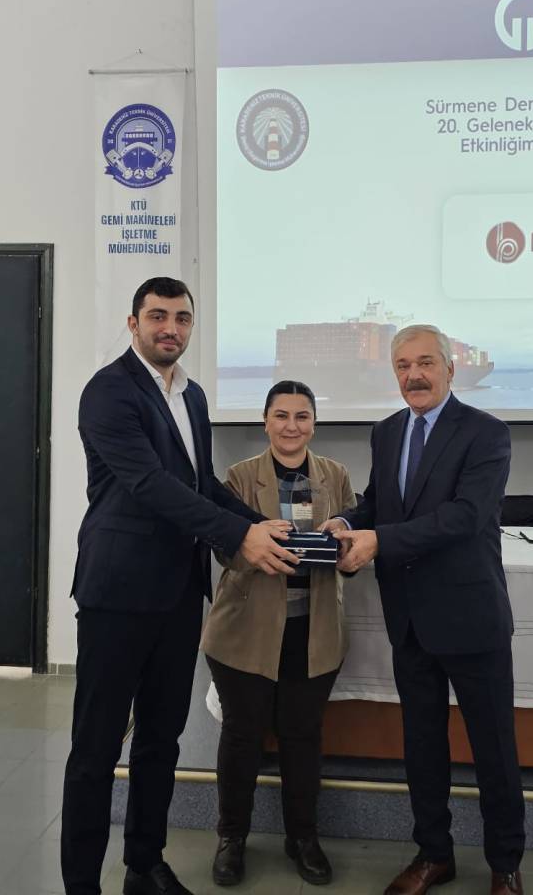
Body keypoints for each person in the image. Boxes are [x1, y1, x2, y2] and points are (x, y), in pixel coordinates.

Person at [61, 277, 299, 895]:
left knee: (161, 741)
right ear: (134, 322)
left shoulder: (190, 395)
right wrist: (239, 537)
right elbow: (150, 485)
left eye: (182, 318)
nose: (171, 328)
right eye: (158, 316)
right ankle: (82, 884)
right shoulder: (109, 392)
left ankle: (144, 865)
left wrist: (259, 524)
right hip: (118, 594)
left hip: (177, 593)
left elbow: (199, 484)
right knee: (96, 748)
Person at [324, 324, 525, 895]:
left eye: (426, 363)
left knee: (494, 749)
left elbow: (465, 516)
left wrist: (380, 541)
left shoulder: (486, 433)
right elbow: (381, 503)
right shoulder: (386, 432)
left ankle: (506, 865)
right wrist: (348, 521)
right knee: (422, 746)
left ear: (450, 369)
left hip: (470, 617)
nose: (414, 375)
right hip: (409, 619)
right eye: (403, 365)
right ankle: (434, 855)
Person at [200, 380, 356, 887]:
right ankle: (231, 838)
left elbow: (352, 553)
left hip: (315, 633)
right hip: (245, 634)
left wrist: (345, 550)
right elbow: (224, 549)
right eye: (282, 416)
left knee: (302, 737)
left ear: (314, 424)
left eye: (302, 416)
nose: (292, 426)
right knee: (242, 736)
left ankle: (303, 838)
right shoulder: (239, 477)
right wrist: (257, 548)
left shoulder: (336, 476)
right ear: (265, 422)